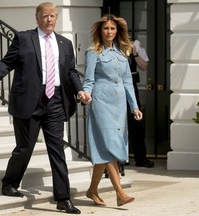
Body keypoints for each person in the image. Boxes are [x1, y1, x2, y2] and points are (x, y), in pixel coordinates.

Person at [0, 2, 90, 214]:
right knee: (25, 149)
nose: (49, 19)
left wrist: (79, 91)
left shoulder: (65, 43)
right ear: (37, 18)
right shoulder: (24, 38)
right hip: (29, 100)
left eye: (53, 16)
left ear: (56, 18)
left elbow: (71, 72)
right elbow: (6, 63)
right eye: (45, 16)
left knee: (57, 149)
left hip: (56, 100)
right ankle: (9, 183)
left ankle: (63, 198)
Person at [82, 15, 143, 207]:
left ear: (117, 32)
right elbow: (89, 79)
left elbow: (128, 82)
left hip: (119, 104)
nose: (109, 32)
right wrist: (86, 94)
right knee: (109, 146)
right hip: (101, 102)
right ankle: (120, 193)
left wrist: (134, 106)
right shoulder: (93, 52)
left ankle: (92, 190)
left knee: (105, 149)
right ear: (100, 31)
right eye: (106, 28)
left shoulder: (122, 53)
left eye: (113, 29)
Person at [127, 39, 154, 168]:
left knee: (135, 123)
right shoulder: (109, 44)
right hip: (115, 87)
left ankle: (141, 158)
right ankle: (121, 158)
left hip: (131, 86)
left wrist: (135, 54)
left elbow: (144, 66)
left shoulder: (135, 44)